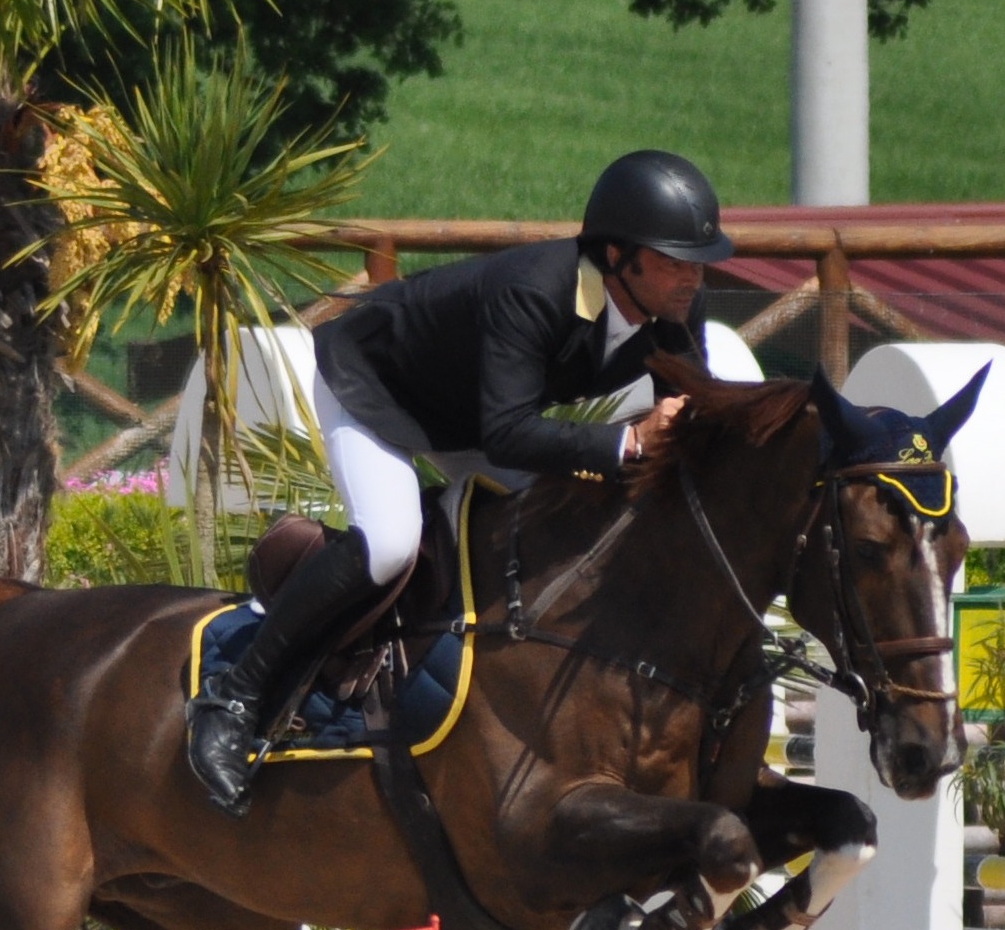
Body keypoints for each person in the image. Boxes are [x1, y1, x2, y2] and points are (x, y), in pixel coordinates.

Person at [186, 149, 736, 816]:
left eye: (697, 260)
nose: (691, 277)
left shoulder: (675, 303)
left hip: (471, 412)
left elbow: (695, 400)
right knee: (390, 541)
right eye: (675, 260)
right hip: (377, 390)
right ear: (618, 256)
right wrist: (625, 440)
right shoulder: (535, 290)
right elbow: (506, 434)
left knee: (544, 532)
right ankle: (235, 696)